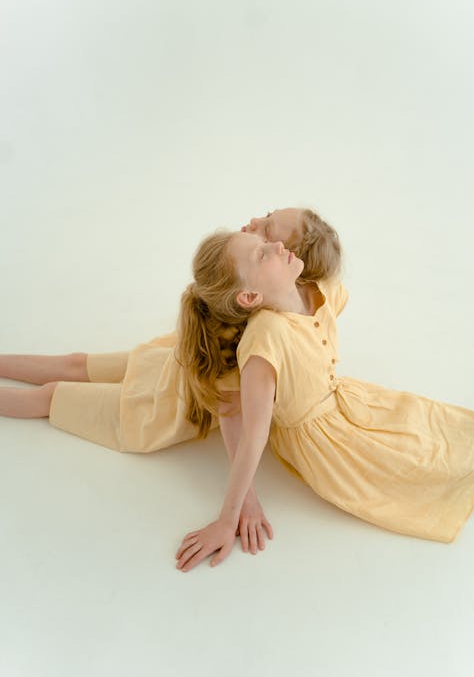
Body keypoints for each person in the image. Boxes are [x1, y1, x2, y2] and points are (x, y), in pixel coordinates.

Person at [0, 208, 340, 556]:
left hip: (158, 404)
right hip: (167, 372)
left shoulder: (257, 335)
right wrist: (236, 511)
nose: (253, 226)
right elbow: (237, 420)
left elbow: (234, 418)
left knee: (52, 394)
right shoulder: (246, 311)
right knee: (73, 365)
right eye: (261, 240)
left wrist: (239, 508)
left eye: (267, 236)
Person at [174, 228, 474, 572]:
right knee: (419, 466)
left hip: (349, 403)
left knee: (428, 421)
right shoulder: (264, 342)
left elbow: (319, 234)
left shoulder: (311, 292)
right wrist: (234, 514)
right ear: (251, 297)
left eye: (264, 241)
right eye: (261, 255)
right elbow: (252, 435)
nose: (276, 245)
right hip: (329, 442)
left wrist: (273, 223)